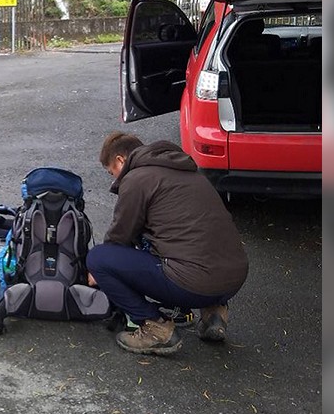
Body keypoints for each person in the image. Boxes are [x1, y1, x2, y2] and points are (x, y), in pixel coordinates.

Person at [86, 132, 248, 356]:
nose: (114, 179)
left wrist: (98, 272)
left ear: (121, 160)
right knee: (194, 248)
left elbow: (119, 237)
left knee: (99, 258)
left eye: (111, 172)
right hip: (233, 278)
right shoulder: (188, 171)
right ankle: (214, 313)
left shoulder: (137, 179)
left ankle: (155, 329)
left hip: (196, 283)